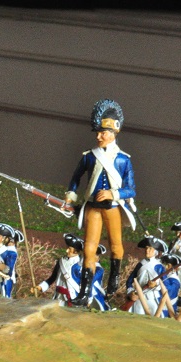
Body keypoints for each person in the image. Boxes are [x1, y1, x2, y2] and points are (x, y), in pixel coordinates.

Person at [65, 99, 136, 304]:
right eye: (98, 133)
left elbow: (130, 189)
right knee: (89, 248)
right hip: (92, 208)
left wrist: (113, 194)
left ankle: (113, 283)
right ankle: (84, 292)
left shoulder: (123, 159)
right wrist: (71, 194)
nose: (98, 137)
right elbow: (75, 178)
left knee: (116, 246)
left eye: (103, 133)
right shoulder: (89, 157)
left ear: (113, 133)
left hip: (112, 207)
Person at [32, 233, 85, 306]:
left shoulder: (80, 265)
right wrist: (41, 286)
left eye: (69, 249)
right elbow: (52, 278)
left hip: (72, 297)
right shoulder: (61, 261)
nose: (66, 251)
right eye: (67, 248)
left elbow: (84, 284)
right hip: (58, 297)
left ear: (76, 251)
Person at [126, 237, 166, 316]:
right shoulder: (141, 264)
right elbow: (129, 281)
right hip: (138, 298)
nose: (147, 250)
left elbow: (165, 284)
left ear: (156, 251)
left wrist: (156, 285)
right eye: (146, 248)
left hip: (153, 298)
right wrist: (131, 292)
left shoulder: (159, 266)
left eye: (150, 248)